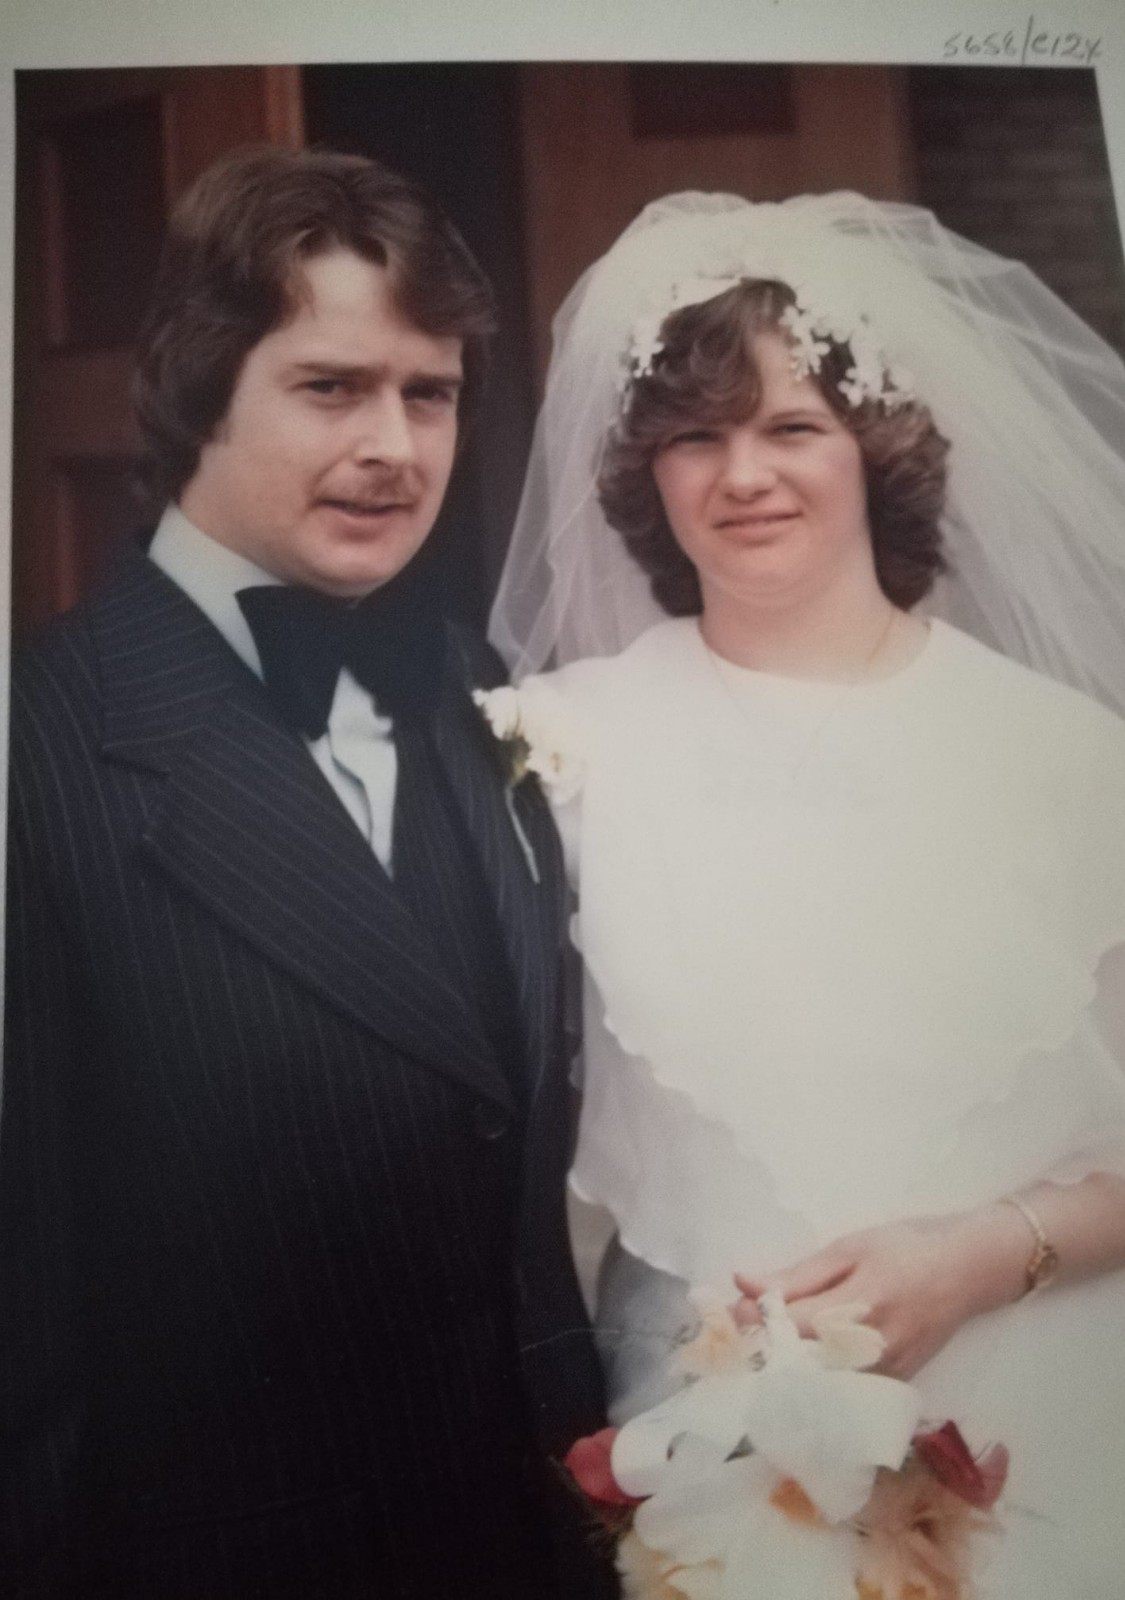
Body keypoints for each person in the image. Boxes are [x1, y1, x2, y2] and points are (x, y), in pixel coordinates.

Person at [489, 192, 1125, 1596]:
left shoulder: (1059, 759)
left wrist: (986, 1253)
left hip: (1043, 1421)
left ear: (875, 451)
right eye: (696, 435)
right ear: (648, 474)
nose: (742, 473)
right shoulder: (556, 747)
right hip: (709, 1450)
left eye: (790, 426)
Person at [0, 146, 612, 1598]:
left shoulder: (482, 690)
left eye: (432, 393)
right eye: (331, 387)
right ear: (194, 387)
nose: (396, 446)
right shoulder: (39, 747)